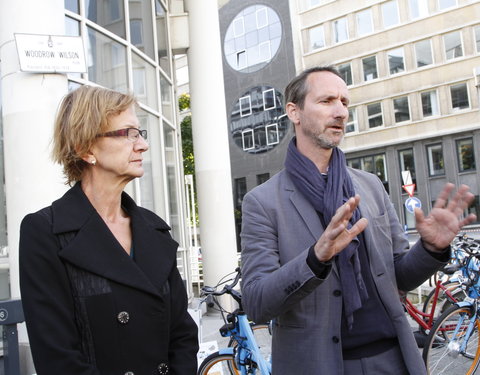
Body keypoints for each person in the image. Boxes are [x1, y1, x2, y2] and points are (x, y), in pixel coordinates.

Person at [240, 66, 476, 375]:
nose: (340, 112)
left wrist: (430, 249)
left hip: (393, 358)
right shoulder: (262, 202)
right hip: (318, 365)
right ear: (294, 112)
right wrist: (315, 259)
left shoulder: (370, 186)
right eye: (327, 101)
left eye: (344, 102)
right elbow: (257, 302)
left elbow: (398, 277)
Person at [19, 86, 198, 375]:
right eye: (128, 133)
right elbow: (57, 358)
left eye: (140, 134)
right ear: (85, 149)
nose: (142, 145)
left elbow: (183, 336)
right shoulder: (46, 232)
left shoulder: (154, 229)